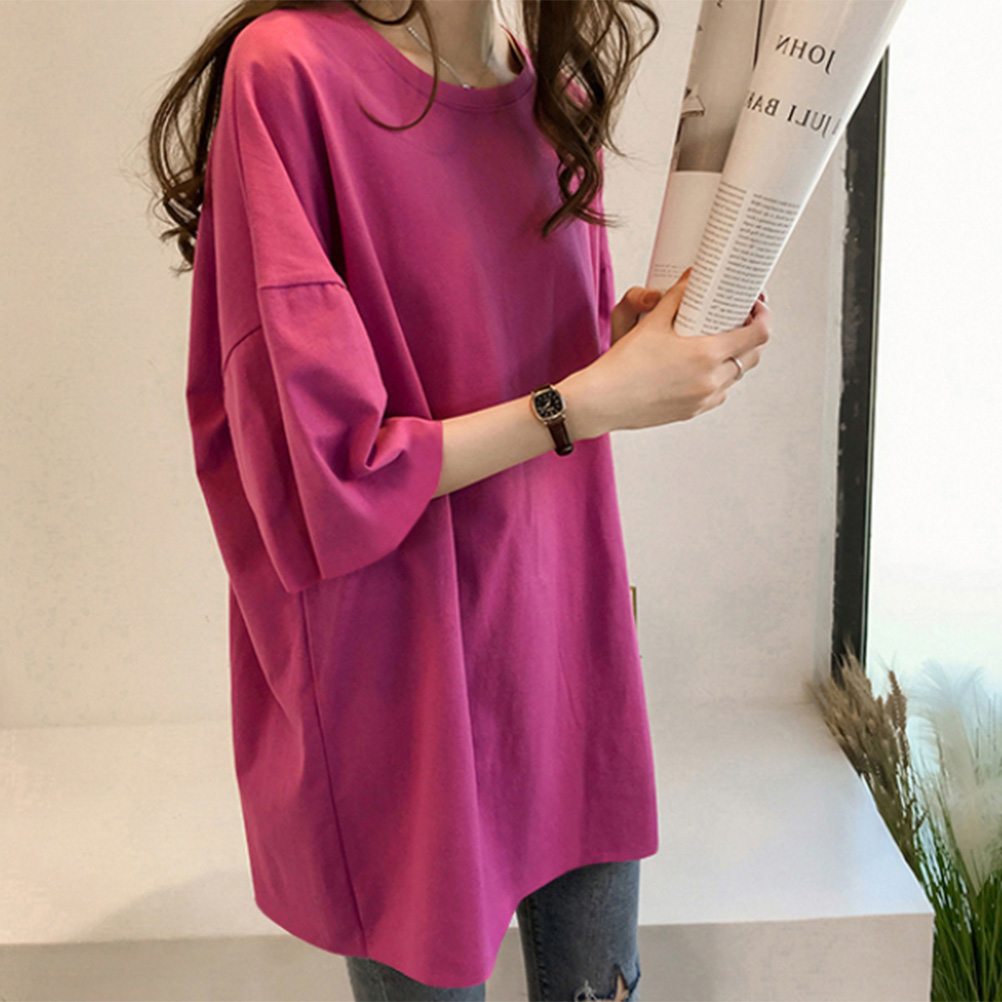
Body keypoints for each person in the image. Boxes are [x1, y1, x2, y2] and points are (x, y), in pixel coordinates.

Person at [146, 1, 770, 999]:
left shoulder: (555, 90)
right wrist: (588, 400)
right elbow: (323, 471)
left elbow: (520, 373)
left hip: (563, 650)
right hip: (403, 675)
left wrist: (630, 354)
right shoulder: (291, 74)